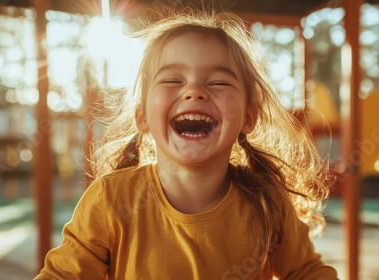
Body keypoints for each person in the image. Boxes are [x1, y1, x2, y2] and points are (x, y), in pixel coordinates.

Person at [35, 9, 338, 280]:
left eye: (218, 82)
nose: (194, 91)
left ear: (248, 117)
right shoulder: (110, 200)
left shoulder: (266, 201)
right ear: (142, 117)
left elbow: (306, 271)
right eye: (172, 80)